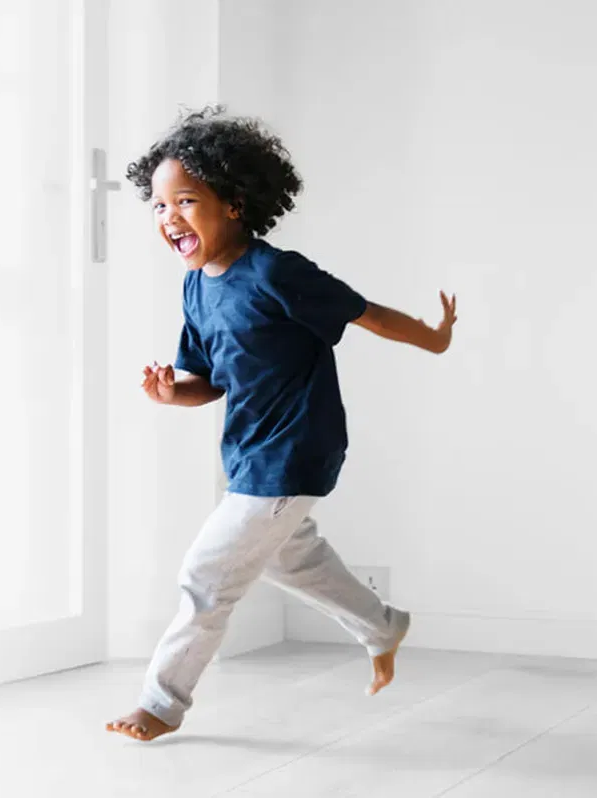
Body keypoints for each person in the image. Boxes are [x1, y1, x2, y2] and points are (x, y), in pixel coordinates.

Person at [106, 108, 457, 741]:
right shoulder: (196, 287)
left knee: (205, 576)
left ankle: (160, 703)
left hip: (295, 449)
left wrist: (433, 340)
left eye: (186, 201)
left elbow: (366, 313)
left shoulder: (275, 272)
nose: (170, 218)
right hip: (249, 453)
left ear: (235, 203)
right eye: (158, 206)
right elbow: (208, 381)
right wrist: (168, 393)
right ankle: (382, 625)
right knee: (292, 559)